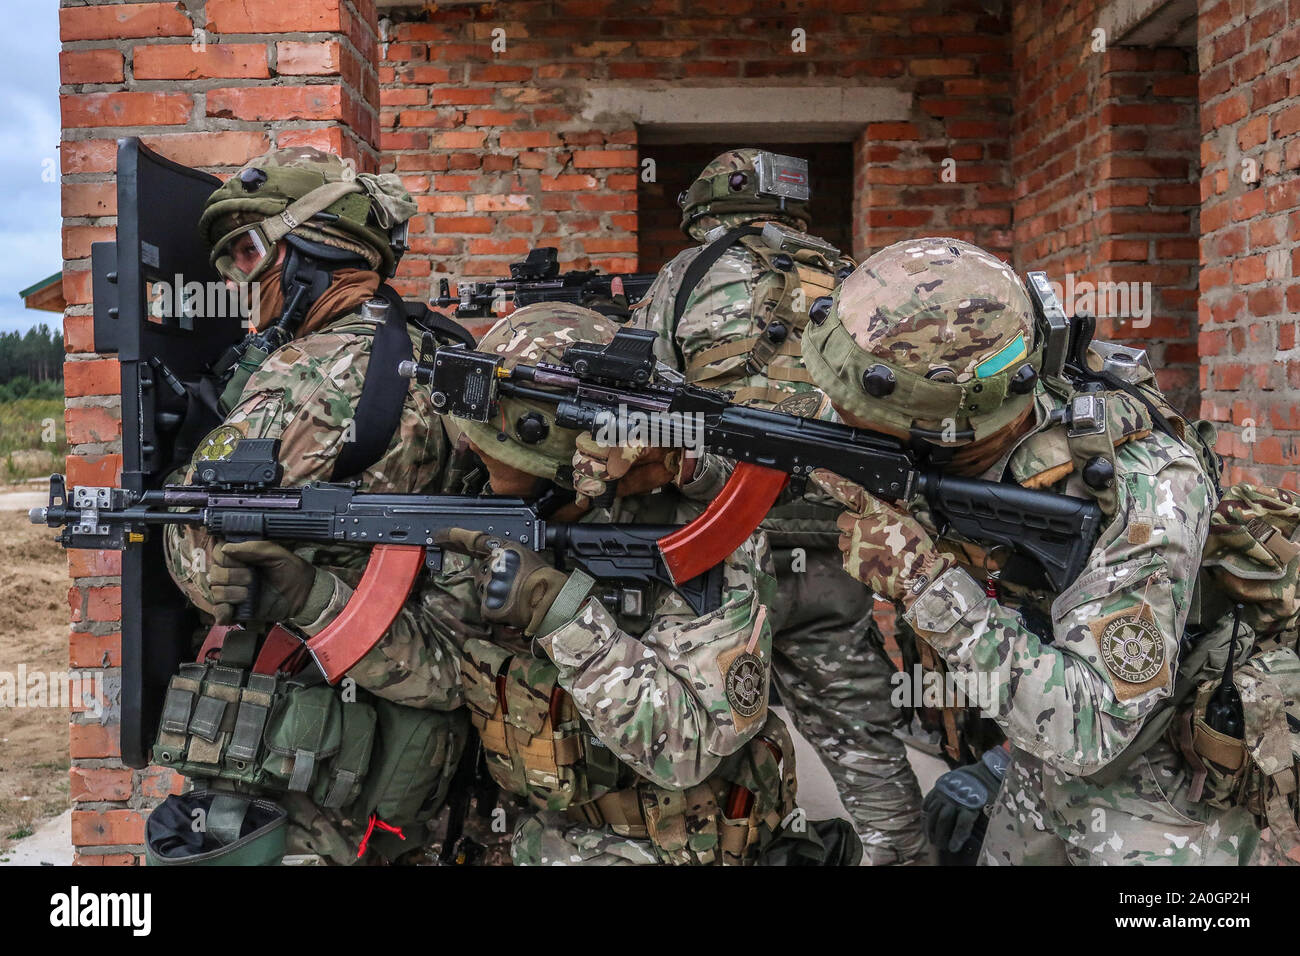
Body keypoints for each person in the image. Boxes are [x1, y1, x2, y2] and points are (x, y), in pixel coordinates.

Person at [800, 236, 1267, 864]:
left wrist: (924, 583)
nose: (839, 419)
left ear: (939, 424)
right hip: (1034, 760)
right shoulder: (946, 417)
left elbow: (1095, 728)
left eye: (860, 418)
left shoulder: (1143, 484)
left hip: (1161, 787)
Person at [580, 148, 928, 863]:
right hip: (835, 555)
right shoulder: (852, 281)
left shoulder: (687, 275)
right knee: (869, 753)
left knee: (709, 749)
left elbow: (643, 405)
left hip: (723, 558)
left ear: (703, 214)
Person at [430, 302, 838, 865]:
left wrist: (561, 612)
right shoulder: (495, 504)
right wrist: (314, 602)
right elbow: (444, 670)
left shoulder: (698, 535)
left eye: (491, 440)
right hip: (536, 836)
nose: (470, 445)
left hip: (676, 847)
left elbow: (690, 745)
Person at [156, 147, 468, 865]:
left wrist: (179, 474)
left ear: (309, 250)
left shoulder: (313, 372)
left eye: (249, 253)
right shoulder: (431, 347)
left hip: (305, 763)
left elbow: (209, 566)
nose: (245, 280)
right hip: (400, 747)